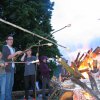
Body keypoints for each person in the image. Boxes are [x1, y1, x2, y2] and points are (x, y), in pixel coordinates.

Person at [2, 35, 22, 100]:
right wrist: (16, 53)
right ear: (6, 41)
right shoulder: (5, 47)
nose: (11, 40)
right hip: (7, 69)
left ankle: (9, 98)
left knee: (11, 86)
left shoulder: (13, 49)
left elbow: (12, 59)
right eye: (10, 39)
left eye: (12, 39)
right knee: (7, 86)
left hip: (12, 69)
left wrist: (18, 55)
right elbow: (8, 57)